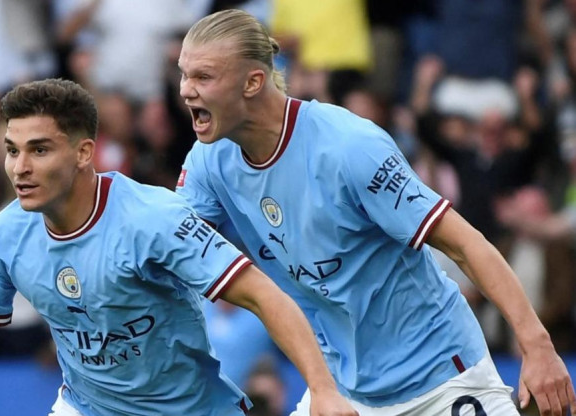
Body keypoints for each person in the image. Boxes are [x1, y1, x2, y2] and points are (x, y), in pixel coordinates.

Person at [175, 9, 576, 416]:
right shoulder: (209, 161)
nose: (185, 90)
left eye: (202, 77)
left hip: (439, 379)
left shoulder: (349, 147)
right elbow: (167, 249)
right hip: (341, 387)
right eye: (183, 74)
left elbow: (465, 245)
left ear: (253, 82)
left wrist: (538, 347)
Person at [0, 78, 357, 416]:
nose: (19, 167)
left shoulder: (154, 219)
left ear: (84, 152)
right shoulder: (6, 234)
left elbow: (264, 294)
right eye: (12, 149)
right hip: (84, 408)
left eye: (39, 149)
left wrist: (323, 390)